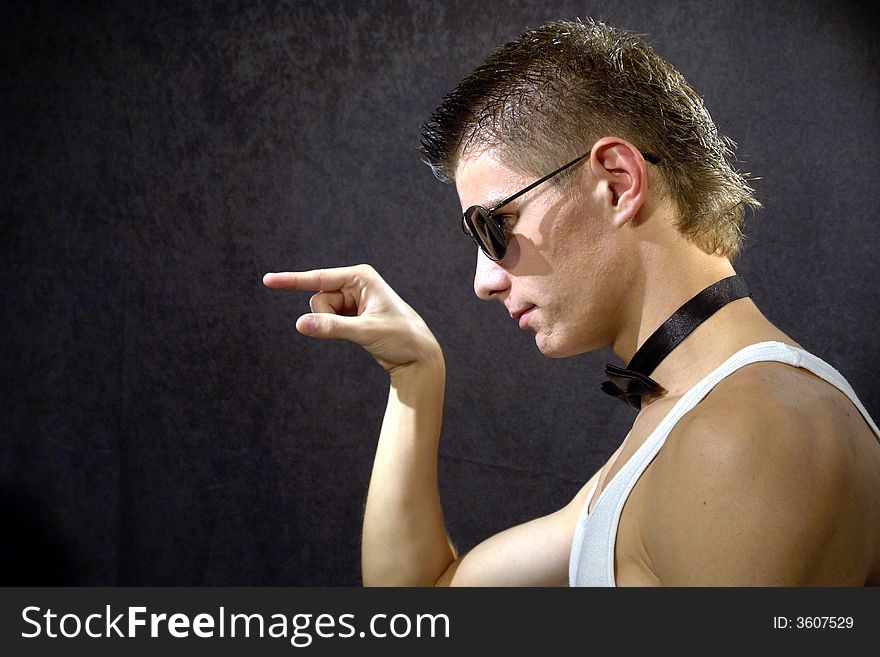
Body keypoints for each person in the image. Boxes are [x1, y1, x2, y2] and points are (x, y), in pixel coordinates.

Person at [263, 19, 880, 586]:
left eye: (495, 228)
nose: (484, 281)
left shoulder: (746, 437)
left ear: (617, 183)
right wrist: (414, 375)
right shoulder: (686, 426)